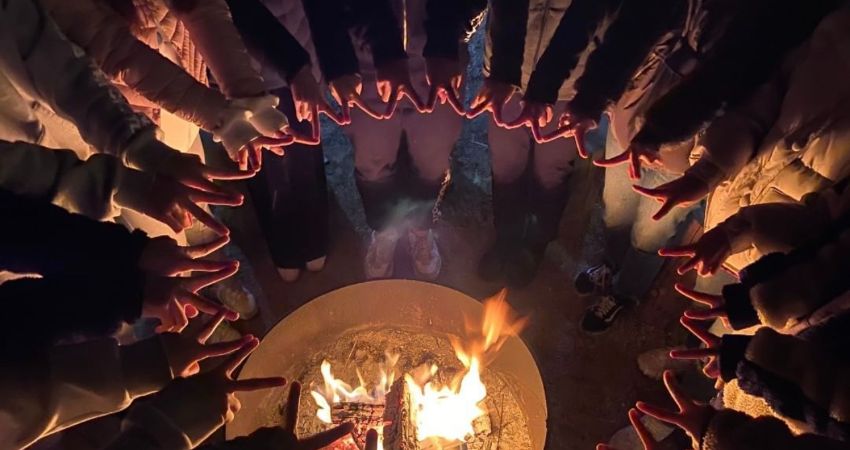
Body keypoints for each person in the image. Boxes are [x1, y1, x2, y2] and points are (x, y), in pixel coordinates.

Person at [303, 0, 477, 280]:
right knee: (373, 157)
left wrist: (449, 36)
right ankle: (384, 229)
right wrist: (336, 61)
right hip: (364, 55)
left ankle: (421, 228)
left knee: (432, 156)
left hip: (440, 54)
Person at [470, 0, 587, 288]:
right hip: (507, 73)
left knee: (552, 170)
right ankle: (506, 237)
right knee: (506, 162)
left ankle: (535, 244)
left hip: (570, 84)